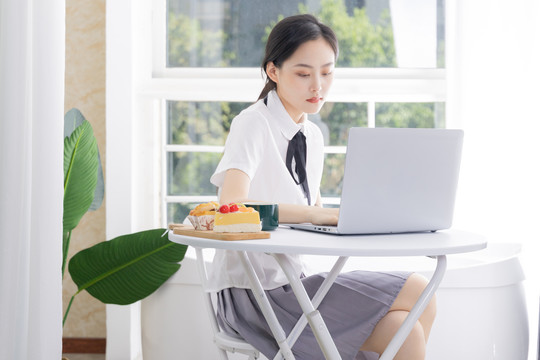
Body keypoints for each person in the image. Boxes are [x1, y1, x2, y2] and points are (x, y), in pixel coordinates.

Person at [208, 14, 436, 360]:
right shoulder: (252, 124)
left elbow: (310, 221)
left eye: (327, 72)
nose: (318, 86)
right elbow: (232, 204)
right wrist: (318, 212)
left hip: (293, 282)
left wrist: (355, 218)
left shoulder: (312, 136)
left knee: (407, 328)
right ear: (273, 72)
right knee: (418, 290)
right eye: (303, 74)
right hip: (256, 294)